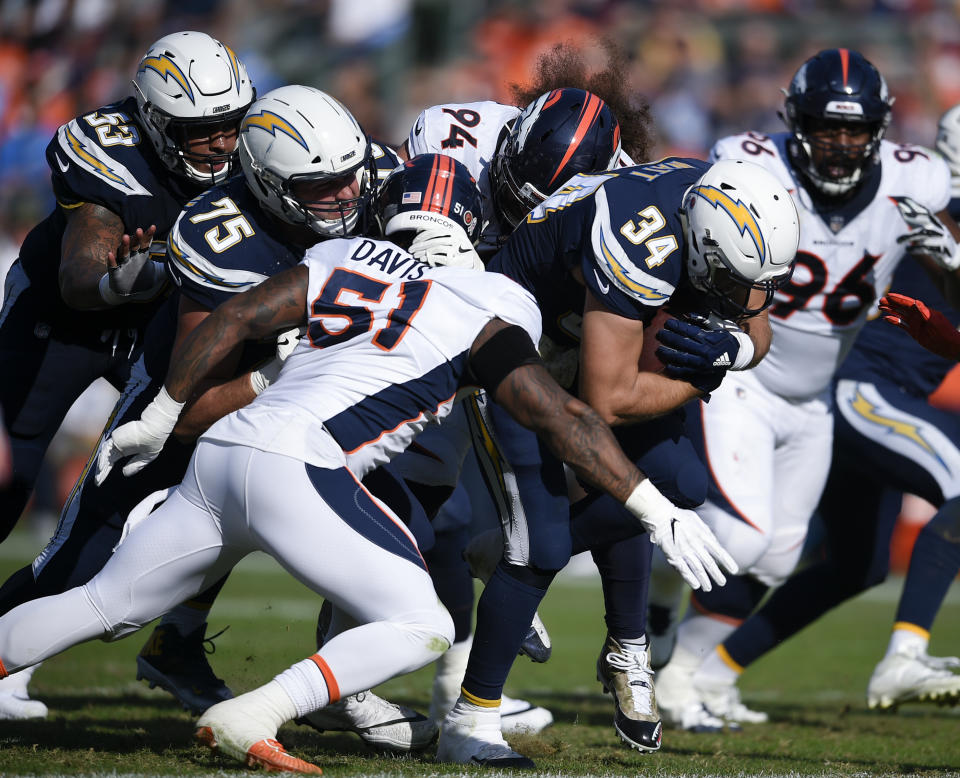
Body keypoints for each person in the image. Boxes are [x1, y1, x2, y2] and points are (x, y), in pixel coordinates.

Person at [0, 154, 732, 774]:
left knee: (105, 604)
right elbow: (565, 415)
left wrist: (160, 416)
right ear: (474, 229)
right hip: (302, 471)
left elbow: (235, 317)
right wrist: (654, 506)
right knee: (425, 623)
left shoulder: (339, 254)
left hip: (222, 452)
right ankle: (258, 711)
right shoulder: (491, 305)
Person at [434, 156, 798, 766]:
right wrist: (703, 377)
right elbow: (609, 402)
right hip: (519, 351)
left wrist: (735, 344)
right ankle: (469, 721)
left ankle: (606, 631)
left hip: (597, 338)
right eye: (736, 283)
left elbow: (758, 325)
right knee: (541, 548)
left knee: (680, 483)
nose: (749, 298)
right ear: (703, 246)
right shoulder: (641, 239)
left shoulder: (729, 213)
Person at [651, 48, 960, 729]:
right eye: (826, 127)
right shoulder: (750, 162)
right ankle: (656, 588)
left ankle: (678, 677)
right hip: (744, 378)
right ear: (796, 121)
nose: (841, 143)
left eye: (854, 130)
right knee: (741, 535)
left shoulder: (919, 181)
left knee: (785, 551)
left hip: (816, 399)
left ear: (879, 129)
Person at [396, 41, 654, 740]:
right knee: (425, 500)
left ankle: (609, 645)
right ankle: (392, 685)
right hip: (439, 322)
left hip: (546, 338)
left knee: (609, 470)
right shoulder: (451, 138)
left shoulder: (623, 195)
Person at [0, 29, 255, 721]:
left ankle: (178, 641)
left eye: (231, 124)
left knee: (221, 471)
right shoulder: (107, 145)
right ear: (152, 118)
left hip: (154, 334)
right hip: (58, 326)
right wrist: (126, 278)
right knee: (8, 484)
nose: (223, 143)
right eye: (201, 130)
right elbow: (82, 278)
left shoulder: (250, 150)